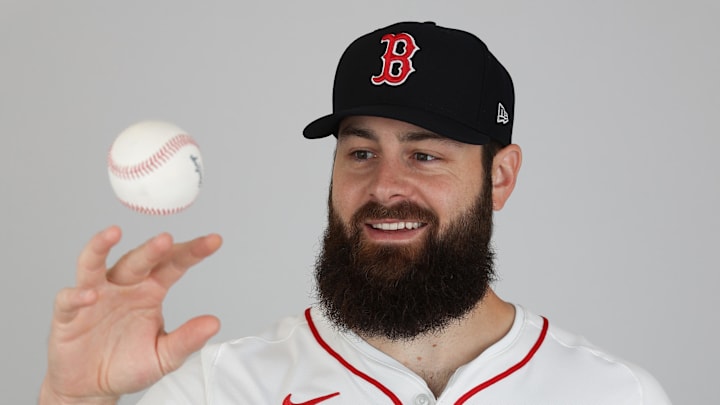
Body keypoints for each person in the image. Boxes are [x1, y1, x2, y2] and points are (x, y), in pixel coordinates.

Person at [39, 22, 671, 404]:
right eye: (361, 151)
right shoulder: (226, 386)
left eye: (424, 155)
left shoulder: (615, 396)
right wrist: (76, 397)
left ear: (499, 177)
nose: (385, 186)